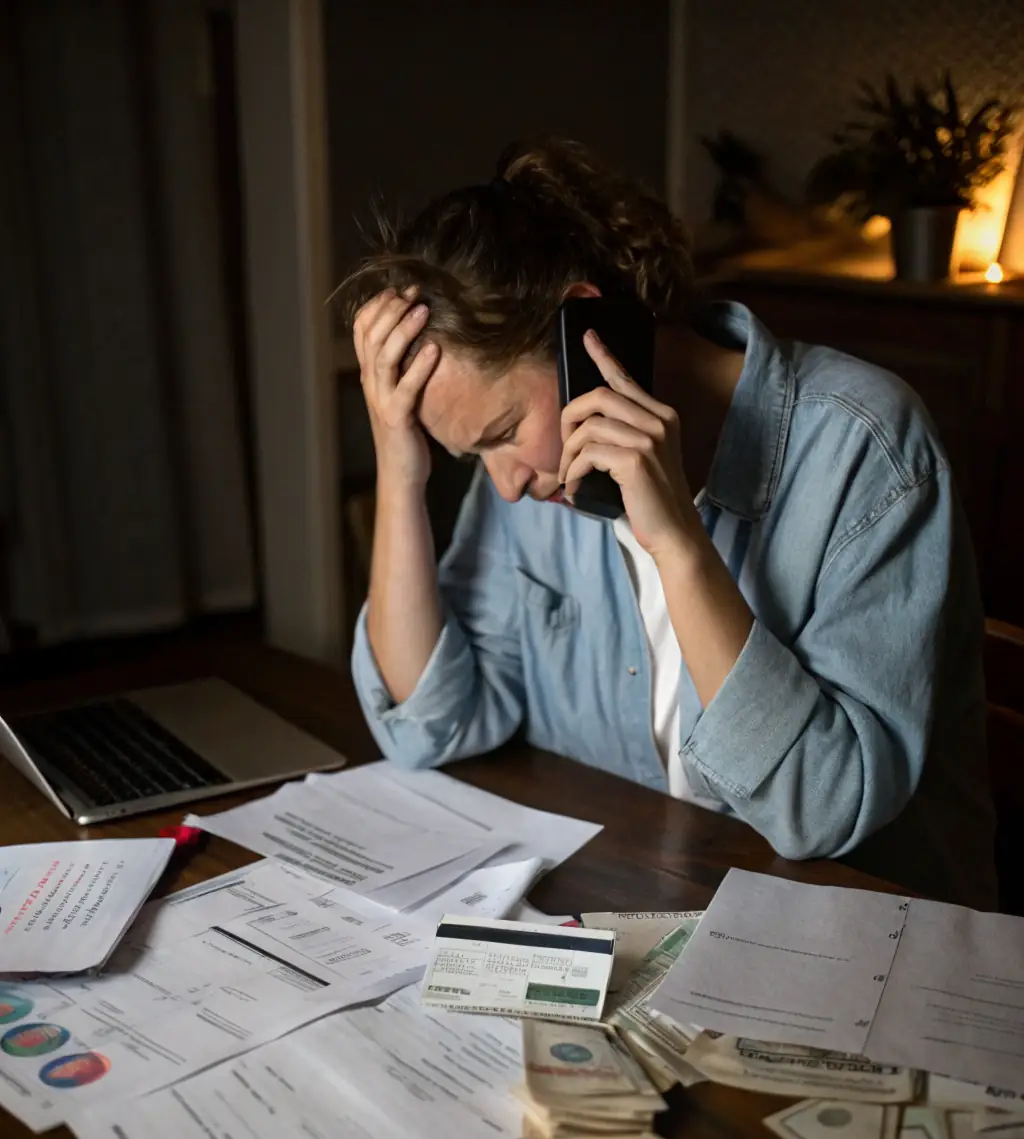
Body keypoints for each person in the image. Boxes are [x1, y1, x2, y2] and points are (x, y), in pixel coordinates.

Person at [336, 138, 997, 911]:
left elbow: (819, 810)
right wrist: (400, 469)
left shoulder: (866, 446)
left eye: (503, 430)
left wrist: (680, 545)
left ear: (590, 335)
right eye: (469, 453)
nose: (506, 485)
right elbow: (426, 729)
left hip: (867, 946)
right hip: (648, 901)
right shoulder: (539, 478)